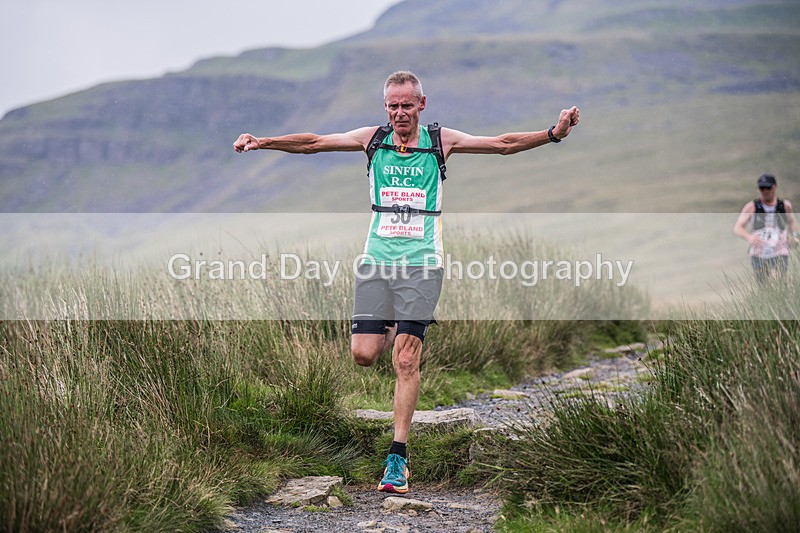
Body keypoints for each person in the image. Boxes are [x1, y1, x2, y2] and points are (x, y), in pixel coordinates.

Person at [233, 71, 580, 494]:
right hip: (377, 261)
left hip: (422, 265)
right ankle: (401, 326)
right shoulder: (371, 140)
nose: (400, 112)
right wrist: (264, 140)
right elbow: (313, 142)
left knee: (405, 360)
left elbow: (501, 145)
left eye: (407, 105)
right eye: (392, 106)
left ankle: (397, 458)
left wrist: (553, 133)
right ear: (386, 108)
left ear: (422, 104)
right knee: (363, 354)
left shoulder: (440, 142)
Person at [734, 173, 799, 284]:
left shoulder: (785, 206)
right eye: (762, 188)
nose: (765, 190)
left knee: (779, 282)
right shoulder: (752, 207)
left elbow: (792, 222)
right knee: (763, 285)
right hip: (759, 252)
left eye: (768, 187)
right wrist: (749, 237)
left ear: (775, 187)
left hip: (780, 250)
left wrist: (796, 237)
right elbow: (738, 227)